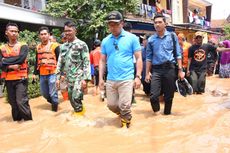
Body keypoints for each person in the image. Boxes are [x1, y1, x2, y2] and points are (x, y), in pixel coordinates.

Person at [99, 11, 142, 128]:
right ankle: (122, 115)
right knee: (111, 105)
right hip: (111, 79)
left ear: (122, 23)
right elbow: (102, 61)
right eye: (110, 24)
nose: (112, 27)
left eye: (115, 24)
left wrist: (138, 77)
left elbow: (138, 58)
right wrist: (100, 79)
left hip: (126, 78)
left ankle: (125, 127)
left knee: (125, 105)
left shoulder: (132, 38)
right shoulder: (105, 41)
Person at [145, 14, 184, 115]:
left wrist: (180, 70)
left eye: (159, 22)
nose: (157, 24)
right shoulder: (151, 40)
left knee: (169, 95)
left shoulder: (172, 36)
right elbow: (149, 58)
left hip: (170, 68)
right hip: (156, 70)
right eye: (155, 23)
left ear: (165, 24)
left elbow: (178, 54)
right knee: (153, 95)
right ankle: (157, 114)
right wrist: (147, 73)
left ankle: (167, 114)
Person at [56, 21, 91, 116]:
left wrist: (86, 79)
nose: (67, 33)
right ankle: (81, 112)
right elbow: (60, 62)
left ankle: (80, 118)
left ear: (75, 31)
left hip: (79, 76)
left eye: (69, 30)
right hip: (68, 77)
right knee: (71, 98)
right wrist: (57, 78)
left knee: (76, 96)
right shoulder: (63, 46)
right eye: (65, 31)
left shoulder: (82, 44)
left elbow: (86, 62)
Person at [0, 23, 32, 121]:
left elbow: (21, 59)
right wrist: (9, 65)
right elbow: (0, 64)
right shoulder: (2, 48)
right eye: (12, 31)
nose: (14, 33)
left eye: (16, 31)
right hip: (9, 79)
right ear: (6, 32)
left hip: (21, 79)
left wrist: (5, 61)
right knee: (13, 103)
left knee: (21, 102)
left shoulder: (23, 46)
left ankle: (28, 122)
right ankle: (17, 122)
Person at [32, 26, 59, 112]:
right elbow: (37, 60)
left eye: (45, 34)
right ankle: (54, 102)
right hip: (42, 74)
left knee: (53, 93)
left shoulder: (55, 46)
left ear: (48, 35)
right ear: (39, 36)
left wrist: (61, 74)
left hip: (53, 73)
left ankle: (54, 112)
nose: (43, 36)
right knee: (44, 93)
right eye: (41, 34)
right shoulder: (38, 47)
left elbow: (60, 60)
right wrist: (34, 73)